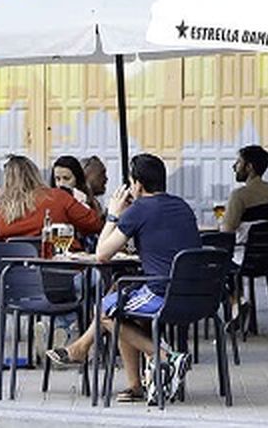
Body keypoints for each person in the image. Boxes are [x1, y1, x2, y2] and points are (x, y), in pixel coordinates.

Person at [45, 153, 202, 404]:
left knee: (105, 311)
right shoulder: (182, 206)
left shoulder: (139, 209)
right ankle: (133, 384)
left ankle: (166, 357)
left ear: (137, 184)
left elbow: (102, 254)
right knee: (118, 302)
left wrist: (114, 215)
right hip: (198, 296)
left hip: (164, 295)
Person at [0, 155, 104, 245]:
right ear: (35, 174)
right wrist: (82, 203)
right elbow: (95, 224)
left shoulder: (0, 212)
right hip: (61, 264)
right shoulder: (59, 197)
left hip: (15, 266)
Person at [220, 144, 268, 233]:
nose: (234, 167)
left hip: (246, 242)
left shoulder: (239, 196)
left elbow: (226, 231)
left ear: (249, 167)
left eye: (238, 162)